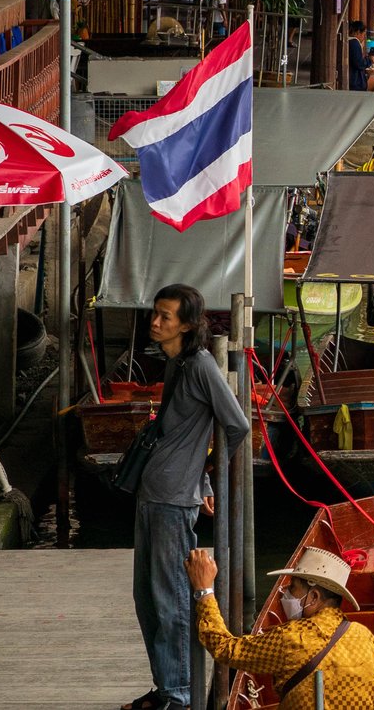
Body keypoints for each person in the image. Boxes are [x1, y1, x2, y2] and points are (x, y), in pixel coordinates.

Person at [127, 284, 250, 710]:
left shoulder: (198, 365)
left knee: (172, 597)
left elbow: (236, 425)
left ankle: (178, 693)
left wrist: (206, 475)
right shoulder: (175, 363)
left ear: (187, 324)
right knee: (146, 597)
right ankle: (165, 685)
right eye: (155, 314)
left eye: (165, 316)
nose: (155, 322)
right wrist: (208, 483)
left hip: (174, 498)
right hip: (155, 490)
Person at [185, 546, 374, 710]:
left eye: (292, 588)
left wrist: (204, 591)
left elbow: (224, 648)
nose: (285, 594)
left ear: (314, 597)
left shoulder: (292, 638)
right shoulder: (365, 636)